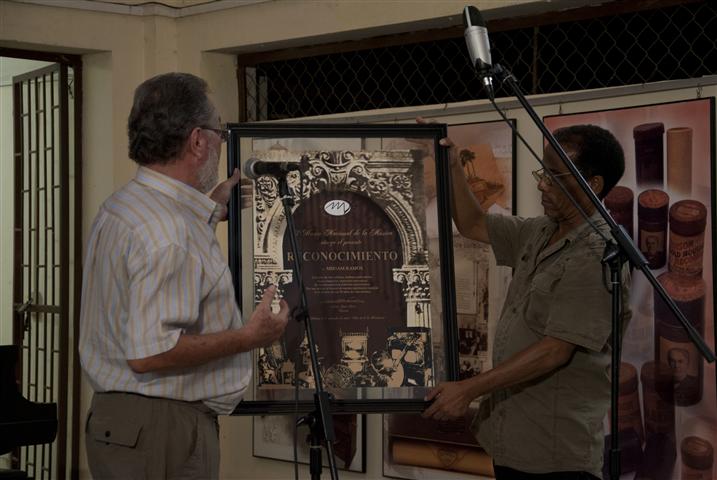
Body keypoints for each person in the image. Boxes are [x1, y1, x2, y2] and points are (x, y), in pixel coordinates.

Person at [79, 72, 290, 479]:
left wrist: (208, 210)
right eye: (220, 131)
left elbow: (162, 264)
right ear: (197, 140)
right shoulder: (169, 232)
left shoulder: (125, 206)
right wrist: (251, 337)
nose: (220, 142)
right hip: (162, 430)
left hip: (124, 424)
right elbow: (149, 354)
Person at [422, 123, 631, 479]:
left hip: (554, 454)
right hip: (513, 438)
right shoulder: (541, 230)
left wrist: (468, 390)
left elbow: (556, 350)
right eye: (542, 171)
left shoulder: (596, 254)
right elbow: (472, 223)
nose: (542, 184)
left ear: (592, 185)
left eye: (554, 175)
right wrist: (454, 165)